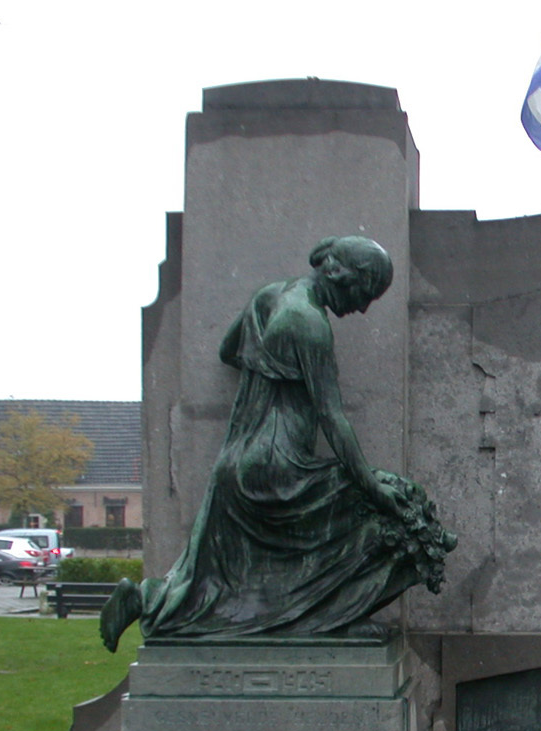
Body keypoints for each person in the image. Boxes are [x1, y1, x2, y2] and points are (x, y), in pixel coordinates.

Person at [101, 236, 455, 650]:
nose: (362, 308)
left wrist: (274, 373)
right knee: (400, 512)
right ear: (341, 275)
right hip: (278, 468)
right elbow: (332, 417)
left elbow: (229, 351)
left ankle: (145, 599)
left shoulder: (270, 296)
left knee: (232, 580)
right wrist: (372, 487)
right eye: (365, 294)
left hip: (242, 460)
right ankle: (330, 618)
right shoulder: (308, 323)